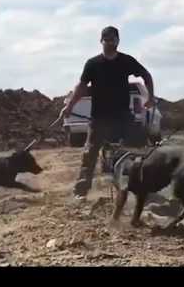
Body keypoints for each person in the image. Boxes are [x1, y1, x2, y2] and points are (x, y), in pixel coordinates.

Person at [61, 26, 155, 200]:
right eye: (106, 39)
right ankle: (80, 191)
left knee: (135, 151)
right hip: (99, 118)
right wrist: (69, 107)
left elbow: (146, 75)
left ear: (118, 41)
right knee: (89, 153)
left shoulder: (126, 61)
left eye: (112, 39)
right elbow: (81, 87)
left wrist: (151, 96)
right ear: (101, 41)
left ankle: (139, 189)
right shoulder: (93, 64)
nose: (109, 42)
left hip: (123, 117)